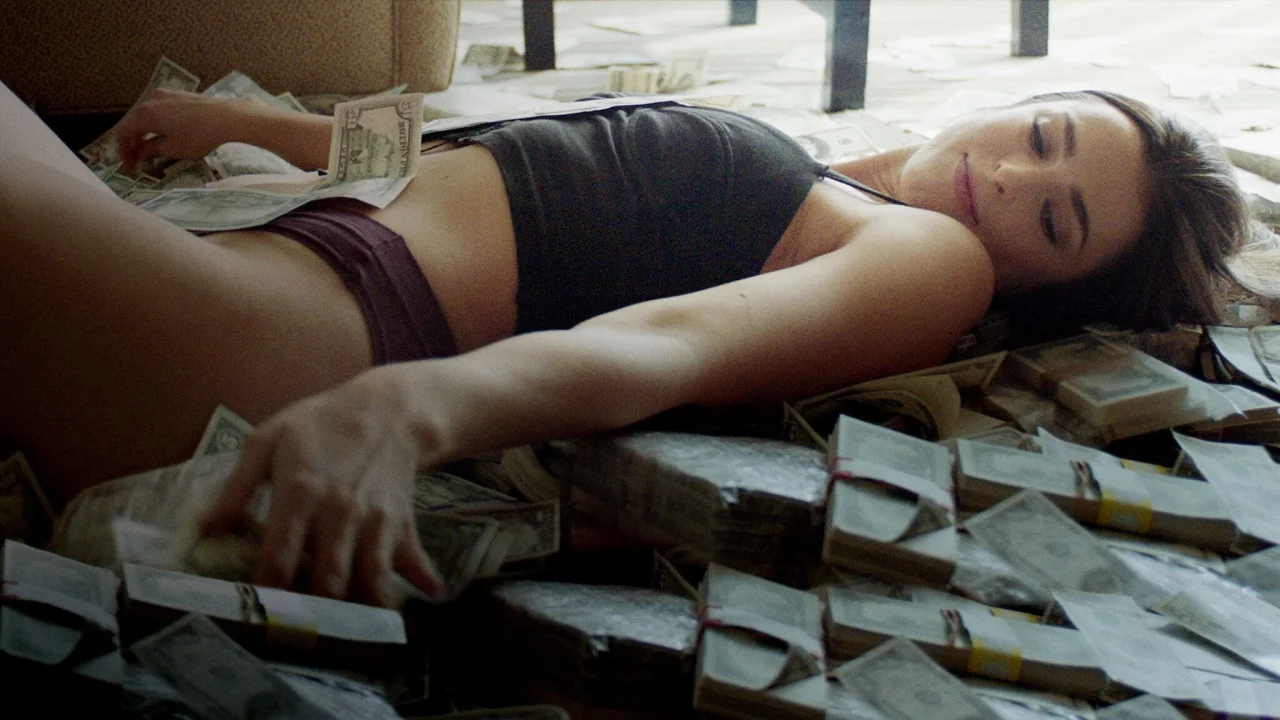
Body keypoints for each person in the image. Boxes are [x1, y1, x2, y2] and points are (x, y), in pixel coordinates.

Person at [0, 80, 1246, 606]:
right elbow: (523, 167)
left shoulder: (930, 258)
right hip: (272, 275)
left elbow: (665, 347)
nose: (1009, 177)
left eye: (1055, 217)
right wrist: (270, 130)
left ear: (1042, 285)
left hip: (267, 346)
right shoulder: (828, 171)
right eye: (1040, 135)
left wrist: (410, 409)